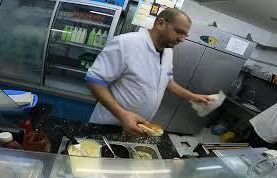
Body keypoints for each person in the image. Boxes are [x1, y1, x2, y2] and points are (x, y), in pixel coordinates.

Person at [85, 8, 213, 136]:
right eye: (179, 32)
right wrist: (122, 114)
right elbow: (95, 80)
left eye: (185, 35)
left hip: (140, 127)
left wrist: (193, 96)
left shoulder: (168, 52)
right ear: (160, 23)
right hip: (109, 124)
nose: (181, 39)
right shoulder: (126, 43)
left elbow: (167, 81)